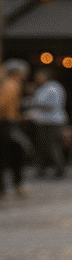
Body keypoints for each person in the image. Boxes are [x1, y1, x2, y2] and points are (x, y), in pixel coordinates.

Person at [24, 67, 67, 178]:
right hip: (42, 121)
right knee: (42, 146)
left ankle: (59, 170)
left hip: (52, 122)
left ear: (46, 76)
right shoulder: (42, 88)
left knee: (52, 146)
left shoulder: (53, 88)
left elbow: (51, 106)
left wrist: (33, 104)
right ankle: (41, 169)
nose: (37, 79)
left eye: (40, 76)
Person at [0, 60, 30, 198]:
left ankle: (15, 185)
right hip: (6, 124)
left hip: (8, 123)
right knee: (12, 154)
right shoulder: (11, 85)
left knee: (11, 155)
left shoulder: (9, 85)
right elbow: (2, 105)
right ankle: (15, 185)